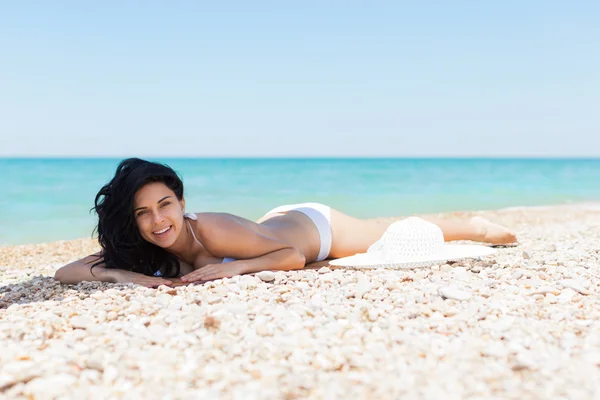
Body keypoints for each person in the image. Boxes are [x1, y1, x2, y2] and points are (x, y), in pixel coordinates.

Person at [54, 158, 517, 287]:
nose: (158, 220)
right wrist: (117, 271)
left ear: (181, 202)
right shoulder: (147, 246)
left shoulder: (209, 228)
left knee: (388, 235)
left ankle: (470, 224)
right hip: (270, 225)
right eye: (142, 212)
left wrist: (232, 268)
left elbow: (293, 257)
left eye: (165, 203)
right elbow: (64, 272)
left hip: (315, 230)